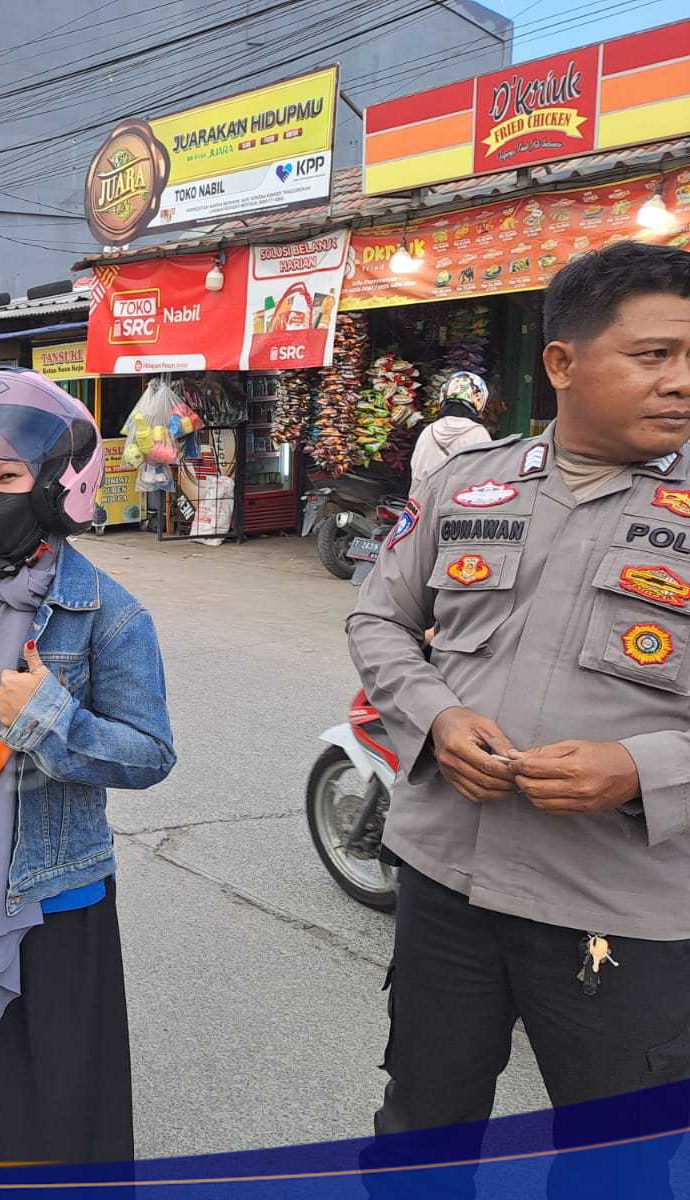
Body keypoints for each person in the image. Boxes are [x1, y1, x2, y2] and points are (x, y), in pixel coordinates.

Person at [348, 241, 690, 1191]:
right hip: (446, 884)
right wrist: (436, 718)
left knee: (614, 1165)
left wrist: (643, 769)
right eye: (654, 355)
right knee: (421, 1127)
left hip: (622, 909)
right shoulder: (465, 484)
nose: (681, 382)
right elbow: (378, 616)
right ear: (562, 363)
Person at [0, 367, 177, 1162]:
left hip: (54, 893)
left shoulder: (111, 614)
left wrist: (49, 718)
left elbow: (151, 754)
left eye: (8, 477)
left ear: (53, 486)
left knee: (51, 1097)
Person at [409, 370, 493, 484]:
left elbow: (416, 473)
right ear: (479, 398)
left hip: (423, 500)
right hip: (458, 500)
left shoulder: (428, 431)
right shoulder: (477, 433)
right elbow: (486, 474)